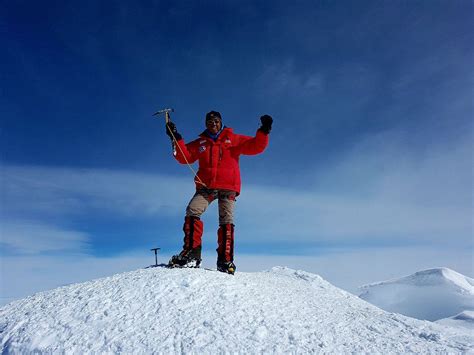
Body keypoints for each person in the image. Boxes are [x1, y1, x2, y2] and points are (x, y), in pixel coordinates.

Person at [165, 110, 272, 274]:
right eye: (209, 121)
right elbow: (183, 157)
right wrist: (176, 137)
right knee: (193, 210)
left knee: (226, 219)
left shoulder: (233, 139)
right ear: (206, 124)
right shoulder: (201, 143)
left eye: (216, 121)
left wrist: (264, 130)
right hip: (206, 186)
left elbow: (255, 147)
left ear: (221, 122)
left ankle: (225, 260)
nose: (213, 124)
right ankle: (191, 254)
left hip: (228, 186)